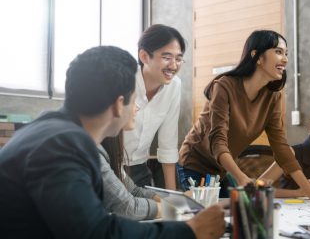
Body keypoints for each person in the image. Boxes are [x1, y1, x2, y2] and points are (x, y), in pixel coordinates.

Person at [0, 46, 225, 239]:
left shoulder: (53, 131)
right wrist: (189, 231)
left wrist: (183, 209)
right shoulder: (62, 145)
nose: (136, 108)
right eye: (135, 100)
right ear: (119, 104)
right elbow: (96, 233)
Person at [177, 30, 310, 201]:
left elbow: (281, 149)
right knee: (213, 216)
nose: (285, 59)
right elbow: (218, 142)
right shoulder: (224, 87)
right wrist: (242, 178)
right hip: (194, 163)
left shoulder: (273, 96)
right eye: (278, 52)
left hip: (220, 170)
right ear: (257, 56)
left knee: (236, 214)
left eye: (286, 54)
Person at [124, 24, 185, 190]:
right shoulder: (124, 80)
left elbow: (168, 144)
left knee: (160, 212)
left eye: (178, 59)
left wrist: (173, 196)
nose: (173, 65)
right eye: (167, 57)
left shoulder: (174, 86)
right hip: (109, 167)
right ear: (144, 56)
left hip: (139, 168)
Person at [100, 129, 162, 220]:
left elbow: (133, 191)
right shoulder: (94, 153)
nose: (136, 113)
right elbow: (127, 207)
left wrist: (171, 202)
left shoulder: (108, 147)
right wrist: (168, 209)